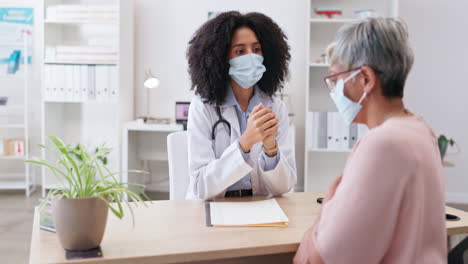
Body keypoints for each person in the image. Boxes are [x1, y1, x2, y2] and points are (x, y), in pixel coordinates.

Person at [294, 17, 446, 263]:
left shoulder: (383, 144)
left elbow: (325, 257)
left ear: (365, 79)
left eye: (336, 78)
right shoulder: (422, 131)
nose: (334, 89)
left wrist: (329, 205)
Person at [184, 11, 297, 200]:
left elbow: (283, 187)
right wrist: (245, 143)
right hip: (214, 206)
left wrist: (271, 149)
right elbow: (200, 187)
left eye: (256, 49)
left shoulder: (275, 107)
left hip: (259, 206)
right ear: (221, 58)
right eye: (240, 51)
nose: (250, 57)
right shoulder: (203, 107)